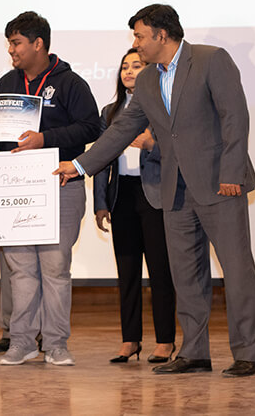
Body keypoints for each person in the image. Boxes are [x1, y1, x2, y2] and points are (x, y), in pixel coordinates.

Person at [54, 4, 255, 377]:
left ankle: (250, 353)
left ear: (161, 35)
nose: (136, 43)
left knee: (237, 271)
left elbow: (235, 117)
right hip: (174, 191)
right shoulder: (149, 79)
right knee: (186, 275)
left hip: (221, 184)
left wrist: (232, 172)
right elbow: (122, 130)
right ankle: (195, 352)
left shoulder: (211, 60)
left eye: (139, 36)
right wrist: (80, 165)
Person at [0, 11, 100, 366]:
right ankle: (21, 342)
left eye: (16, 43)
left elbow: (91, 128)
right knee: (22, 270)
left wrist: (46, 139)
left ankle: (56, 344)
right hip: (17, 189)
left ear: (38, 43)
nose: (11, 50)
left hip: (61, 186)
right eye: (10, 43)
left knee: (55, 269)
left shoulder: (70, 83)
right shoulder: (6, 83)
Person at [93, 48, 176, 364]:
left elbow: (178, 149)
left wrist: (151, 145)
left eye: (136, 65)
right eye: (125, 67)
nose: (128, 71)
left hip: (153, 194)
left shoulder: (162, 106)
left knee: (160, 271)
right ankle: (130, 339)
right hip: (122, 195)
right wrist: (101, 202)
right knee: (127, 272)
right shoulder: (109, 112)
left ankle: (165, 340)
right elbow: (100, 158)